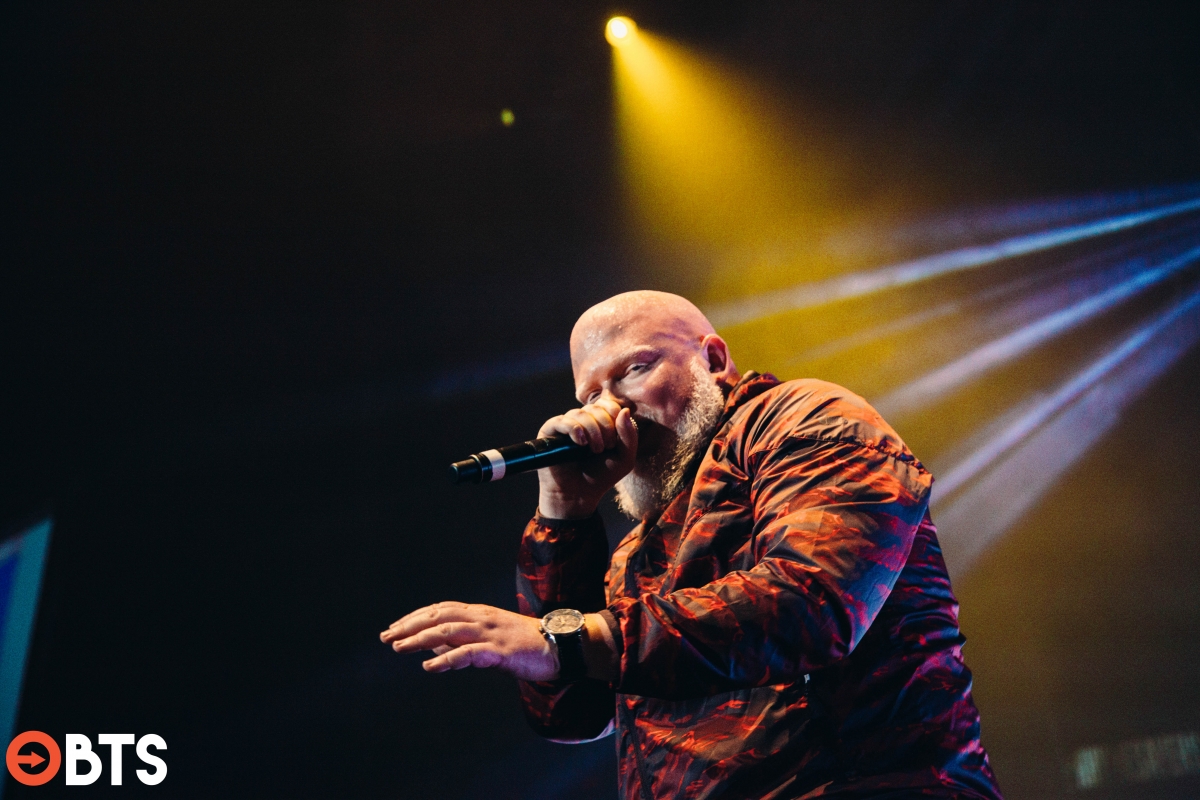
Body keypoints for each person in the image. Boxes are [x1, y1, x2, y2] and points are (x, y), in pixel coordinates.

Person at [381, 291, 1002, 799]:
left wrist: (569, 640)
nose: (609, 414)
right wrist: (563, 515)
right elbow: (572, 714)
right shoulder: (639, 548)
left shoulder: (804, 418)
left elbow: (810, 603)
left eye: (633, 370)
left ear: (713, 358)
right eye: (590, 396)